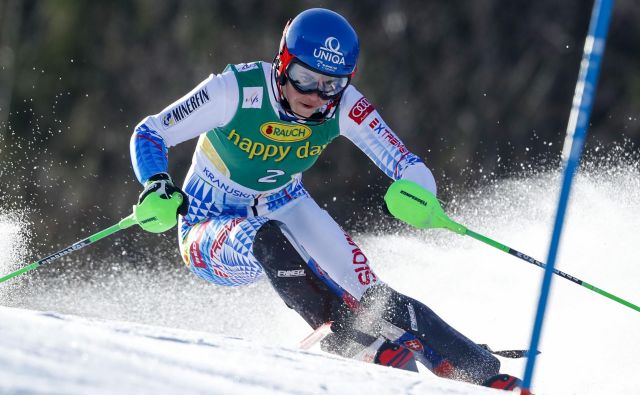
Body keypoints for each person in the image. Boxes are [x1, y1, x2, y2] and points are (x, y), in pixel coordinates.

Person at [130, 8, 523, 390]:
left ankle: (480, 370)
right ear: (282, 62)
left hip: (285, 203)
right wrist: (156, 183)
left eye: (331, 84)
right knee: (266, 238)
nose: (316, 94)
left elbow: (406, 162)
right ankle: (345, 336)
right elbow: (150, 133)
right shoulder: (236, 90)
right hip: (206, 223)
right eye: (303, 77)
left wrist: (421, 194)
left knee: (370, 293)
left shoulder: (346, 106)